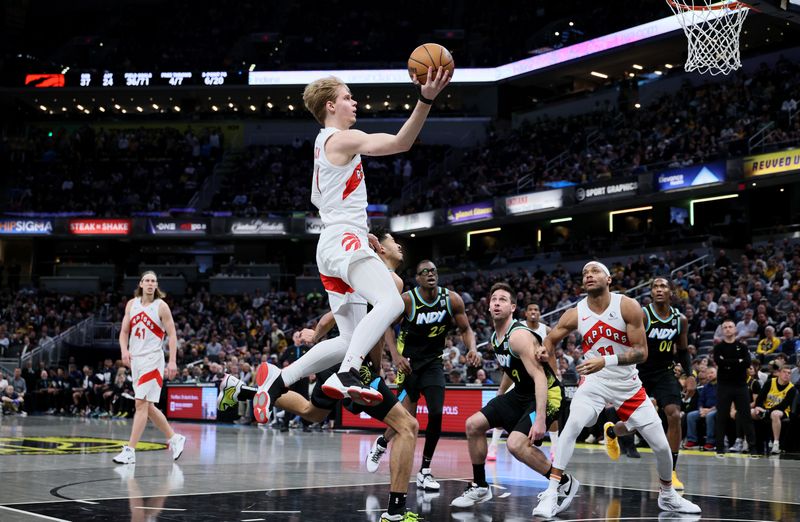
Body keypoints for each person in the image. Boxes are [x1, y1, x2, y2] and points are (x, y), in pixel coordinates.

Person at [250, 68, 451, 416]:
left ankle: (279, 381)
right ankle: (348, 373)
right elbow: (401, 143)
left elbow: (323, 199)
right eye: (347, 97)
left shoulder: (320, 145)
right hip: (343, 241)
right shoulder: (341, 138)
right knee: (392, 302)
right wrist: (426, 98)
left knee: (348, 338)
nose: (353, 101)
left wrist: (362, 229)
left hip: (333, 242)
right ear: (330, 106)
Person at [219, 231, 421, 521]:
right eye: (393, 242)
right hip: (355, 368)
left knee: (313, 413)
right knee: (407, 427)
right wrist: (376, 368)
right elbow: (372, 333)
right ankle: (396, 513)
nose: (399, 246)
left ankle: (247, 390)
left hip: (337, 358)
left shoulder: (358, 274)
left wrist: (316, 335)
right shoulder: (390, 280)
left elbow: (332, 315)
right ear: (379, 248)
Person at [532, 261, 700, 518]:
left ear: (609, 279)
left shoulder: (627, 306)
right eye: (585, 273)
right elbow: (550, 340)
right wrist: (550, 363)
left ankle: (668, 495)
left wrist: (605, 360)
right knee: (573, 424)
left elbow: (642, 352)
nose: (589, 275)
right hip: (594, 383)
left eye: (595, 271)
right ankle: (553, 491)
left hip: (628, 385)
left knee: (662, 447)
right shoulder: (576, 313)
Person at [450, 283, 579, 515]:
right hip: (520, 392)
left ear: (512, 307)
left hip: (547, 393)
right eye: (493, 299)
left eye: (502, 300)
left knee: (515, 445)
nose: (497, 303)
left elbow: (540, 377)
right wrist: (499, 401)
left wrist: (540, 420)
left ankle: (564, 482)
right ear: (488, 307)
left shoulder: (518, 336)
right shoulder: (495, 337)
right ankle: (479, 485)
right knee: (473, 424)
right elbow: (510, 371)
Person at [367, 259, 477, 492]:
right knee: (407, 418)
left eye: (433, 271)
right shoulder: (408, 300)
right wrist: (396, 357)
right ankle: (382, 442)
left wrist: (472, 349)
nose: (430, 274)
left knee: (436, 413)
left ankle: (425, 470)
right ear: (417, 278)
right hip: (408, 365)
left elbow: (466, 329)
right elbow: (386, 326)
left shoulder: (451, 299)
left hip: (433, 363)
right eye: (424, 271)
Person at [604, 277, 691, 489]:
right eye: (655, 286)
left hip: (664, 373)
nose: (659, 289)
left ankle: (671, 472)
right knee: (637, 424)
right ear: (651, 292)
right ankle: (612, 432)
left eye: (664, 286)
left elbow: (682, 350)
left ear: (671, 291)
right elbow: (626, 342)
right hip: (639, 371)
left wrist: (689, 375)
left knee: (674, 414)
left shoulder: (680, 320)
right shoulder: (643, 315)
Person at [113, 271, 185, 465]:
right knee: (149, 407)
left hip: (153, 359)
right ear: (141, 284)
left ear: (156, 285)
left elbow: (172, 335)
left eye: (154, 281)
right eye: (147, 280)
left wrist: (172, 361)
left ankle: (130, 450)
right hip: (136, 360)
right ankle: (175, 438)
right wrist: (124, 351)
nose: (150, 283)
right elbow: (124, 332)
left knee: (140, 404)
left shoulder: (161, 306)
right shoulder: (132, 304)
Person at [488, 302, 553, 461]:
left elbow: (551, 354)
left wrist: (555, 372)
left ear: (539, 312)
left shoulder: (546, 330)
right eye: (530, 309)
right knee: (499, 410)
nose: (533, 312)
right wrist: (501, 391)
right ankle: (494, 446)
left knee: (550, 417)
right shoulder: (516, 329)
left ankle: (555, 448)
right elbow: (509, 366)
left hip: (538, 380)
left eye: (536, 309)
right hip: (518, 380)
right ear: (524, 313)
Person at [712, 319, 757, 457]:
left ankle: (753, 448)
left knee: (745, 416)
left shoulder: (742, 347)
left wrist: (728, 363)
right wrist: (738, 362)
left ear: (735, 329)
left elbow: (748, 362)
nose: (727, 329)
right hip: (724, 386)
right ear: (722, 330)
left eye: (730, 327)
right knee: (721, 417)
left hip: (740, 387)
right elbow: (719, 362)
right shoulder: (718, 348)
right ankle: (719, 448)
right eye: (725, 327)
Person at [751, 364, 796, 454]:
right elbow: (760, 398)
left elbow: (783, 406)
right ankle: (748, 442)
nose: (787, 374)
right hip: (765, 409)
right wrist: (758, 407)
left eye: (789, 373)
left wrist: (767, 411)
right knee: (751, 412)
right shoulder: (770, 382)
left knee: (774, 414)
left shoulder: (792, 388)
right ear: (779, 373)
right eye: (784, 372)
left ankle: (776, 444)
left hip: (782, 411)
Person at [684, 367, 718, 449]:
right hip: (705, 409)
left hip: (716, 409)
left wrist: (709, 410)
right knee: (691, 415)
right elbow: (700, 400)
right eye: (708, 373)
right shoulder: (706, 387)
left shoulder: (722, 386)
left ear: (717, 373)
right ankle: (692, 440)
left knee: (710, 416)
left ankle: (710, 442)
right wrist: (701, 409)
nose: (710, 375)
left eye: (712, 372)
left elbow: (722, 402)